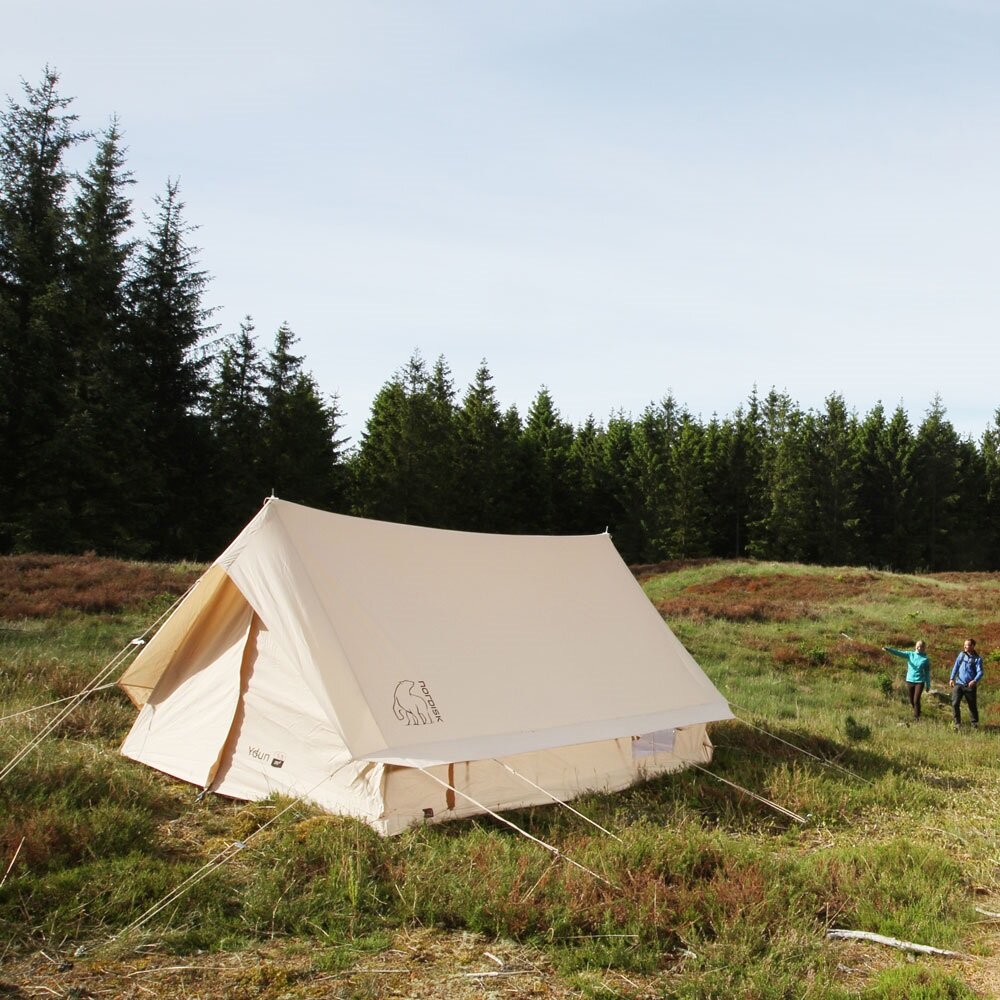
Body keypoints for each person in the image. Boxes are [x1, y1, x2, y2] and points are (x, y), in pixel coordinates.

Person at [882, 640, 931, 720]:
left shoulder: (925, 659)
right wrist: (888, 649)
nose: (919, 647)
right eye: (918, 645)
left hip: (920, 681)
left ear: (924, 648)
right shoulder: (910, 654)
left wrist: (928, 684)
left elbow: (927, 673)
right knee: (911, 701)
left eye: (921, 646)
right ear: (915, 646)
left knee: (916, 700)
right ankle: (917, 710)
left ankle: (916, 718)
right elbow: (899, 653)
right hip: (910, 680)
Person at [949, 638, 983, 730]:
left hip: (970, 686)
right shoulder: (961, 655)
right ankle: (957, 724)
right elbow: (956, 666)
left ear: (972, 646)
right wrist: (952, 678)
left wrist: (974, 680)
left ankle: (974, 724)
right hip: (959, 683)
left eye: (967, 645)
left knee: (972, 705)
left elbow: (980, 672)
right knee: (955, 703)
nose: (965, 646)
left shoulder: (977, 659)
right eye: (965, 644)